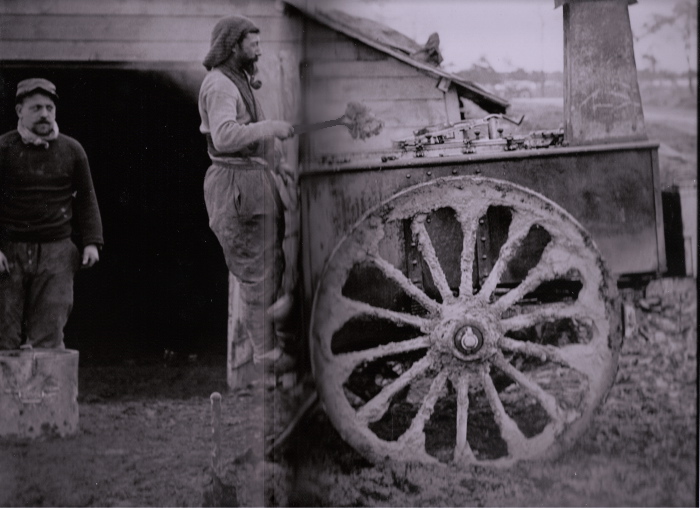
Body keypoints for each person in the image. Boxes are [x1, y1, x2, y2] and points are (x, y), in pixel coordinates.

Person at [198, 16, 295, 372]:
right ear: (232, 46)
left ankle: (273, 353)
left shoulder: (240, 81)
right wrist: (269, 127)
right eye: (252, 44)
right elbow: (224, 137)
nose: (259, 49)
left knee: (270, 266)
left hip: (254, 181)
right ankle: (267, 359)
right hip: (235, 186)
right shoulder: (219, 84)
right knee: (257, 273)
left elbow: (254, 135)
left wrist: (279, 163)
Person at [0, 78, 103, 350]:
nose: (44, 114)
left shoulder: (72, 150)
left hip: (57, 252)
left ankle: (48, 393)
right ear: (19, 110)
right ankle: (7, 393)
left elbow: (87, 198)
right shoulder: (3, 149)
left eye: (49, 107)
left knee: (50, 330)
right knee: (4, 331)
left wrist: (92, 242)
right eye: (36, 108)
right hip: (10, 254)